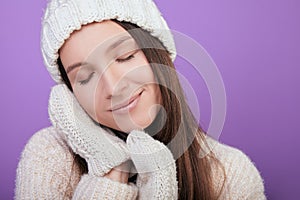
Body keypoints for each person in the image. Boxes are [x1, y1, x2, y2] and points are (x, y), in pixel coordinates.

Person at [15, 0, 266, 199]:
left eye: (125, 57)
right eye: (85, 76)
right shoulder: (49, 156)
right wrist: (109, 173)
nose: (113, 87)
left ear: (157, 53)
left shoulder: (230, 174)